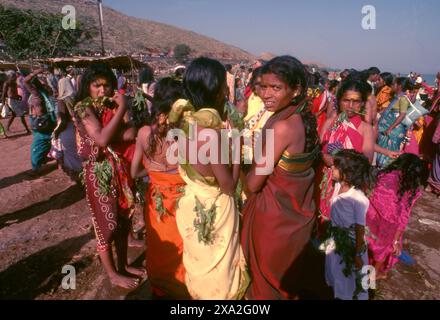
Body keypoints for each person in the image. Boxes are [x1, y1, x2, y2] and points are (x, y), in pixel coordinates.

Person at [241, 55, 320, 299]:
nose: (266, 94)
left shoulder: (282, 126)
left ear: (295, 90)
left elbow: (254, 183)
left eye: (276, 87)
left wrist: (237, 168)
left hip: (273, 219)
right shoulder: (301, 118)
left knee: (266, 287)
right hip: (295, 217)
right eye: (263, 86)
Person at [172, 57, 249, 300]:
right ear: (217, 91)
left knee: (200, 264)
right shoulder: (212, 136)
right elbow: (228, 186)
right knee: (221, 276)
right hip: (215, 209)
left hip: (192, 205)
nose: (228, 90)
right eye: (225, 86)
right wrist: (236, 148)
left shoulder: (184, 125)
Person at [73, 63, 145, 289]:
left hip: (118, 169)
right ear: (88, 87)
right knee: (107, 224)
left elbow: (132, 132)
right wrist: (122, 109)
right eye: (97, 86)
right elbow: (102, 140)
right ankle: (112, 273)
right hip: (98, 172)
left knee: (124, 220)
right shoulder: (84, 108)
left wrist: (113, 129)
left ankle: (123, 265)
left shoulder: (109, 107)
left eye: (106, 85)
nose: (102, 90)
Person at [130, 77, 190, 299]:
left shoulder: (144, 133)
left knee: (159, 245)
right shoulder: (185, 134)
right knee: (182, 247)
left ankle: (162, 287)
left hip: (156, 201)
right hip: (182, 202)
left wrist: (155, 172)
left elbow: (135, 172)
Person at [318, 79, 374, 221]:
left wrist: (341, 164)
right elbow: (318, 148)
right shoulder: (330, 123)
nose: (350, 106)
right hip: (325, 180)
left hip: (350, 184)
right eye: (346, 100)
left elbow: (366, 159)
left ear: (362, 104)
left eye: (356, 101)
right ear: (339, 101)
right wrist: (323, 156)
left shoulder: (365, 128)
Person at [367, 154, 425, 279]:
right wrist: (396, 239)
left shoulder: (385, 175)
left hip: (372, 215)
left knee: (367, 242)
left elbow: (373, 194)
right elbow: (404, 214)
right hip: (391, 224)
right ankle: (375, 274)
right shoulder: (411, 188)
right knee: (384, 248)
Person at [324, 150, 372, 300]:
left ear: (347, 173)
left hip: (351, 244)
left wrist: (357, 254)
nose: (332, 168)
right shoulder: (338, 185)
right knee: (336, 272)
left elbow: (359, 228)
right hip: (336, 239)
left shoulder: (358, 199)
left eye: (336, 166)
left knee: (349, 278)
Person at [24, 68, 57, 173]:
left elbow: (26, 81)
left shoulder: (40, 93)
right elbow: (27, 81)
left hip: (44, 121)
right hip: (44, 121)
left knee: (39, 145)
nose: (44, 83)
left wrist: (35, 73)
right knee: (44, 143)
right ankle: (41, 161)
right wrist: (35, 73)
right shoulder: (39, 93)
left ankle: (36, 168)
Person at [376, 77, 413, 167]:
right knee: (383, 148)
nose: (391, 86)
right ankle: (381, 167)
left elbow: (402, 115)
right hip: (386, 128)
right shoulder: (396, 98)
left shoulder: (403, 99)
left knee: (391, 149)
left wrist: (390, 128)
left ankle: (387, 169)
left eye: (393, 84)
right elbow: (390, 110)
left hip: (393, 130)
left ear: (399, 86)